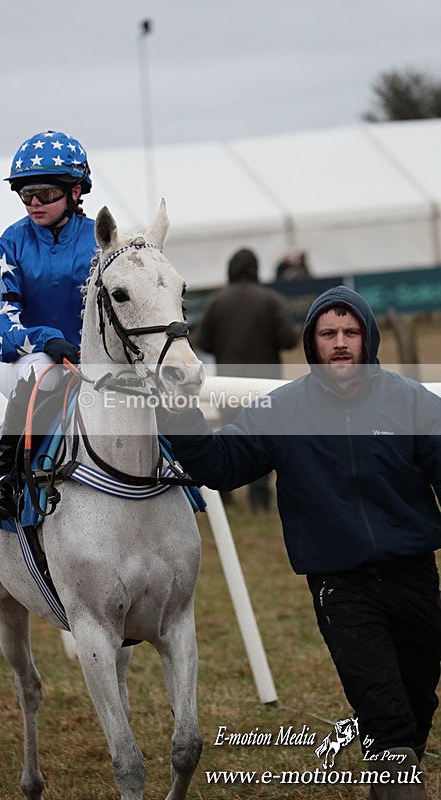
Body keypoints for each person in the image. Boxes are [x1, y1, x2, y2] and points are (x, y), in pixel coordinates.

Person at [163, 285, 441, 798]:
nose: (340, 343)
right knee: (385, 715)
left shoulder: (410, 402)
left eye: (350, 332)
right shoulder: (282, 411)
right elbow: (223, 466)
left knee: (418, 701)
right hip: (342, 587)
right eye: (328, 333)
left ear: (367, 338)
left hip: (416, 577)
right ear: (311, 343)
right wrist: (178, 414)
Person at [0, 130, 98, 519]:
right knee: (46, 372)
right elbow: (1, 328)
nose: (32, 203)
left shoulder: (102, 238)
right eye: (25, 194)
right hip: (25, 362)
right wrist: (48, 340)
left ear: (75, 191)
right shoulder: (9, 245)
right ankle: (4, 477)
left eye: (44, 193)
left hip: (92, 359)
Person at [197, 247, 299, 511]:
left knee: (229, 440)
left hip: (226, 387)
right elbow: (289, 340)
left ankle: (224, 498)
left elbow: (202, 342)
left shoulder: (217, 303)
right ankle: (260, 500)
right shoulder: (271, 300)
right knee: (263, 442)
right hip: (265, 389)